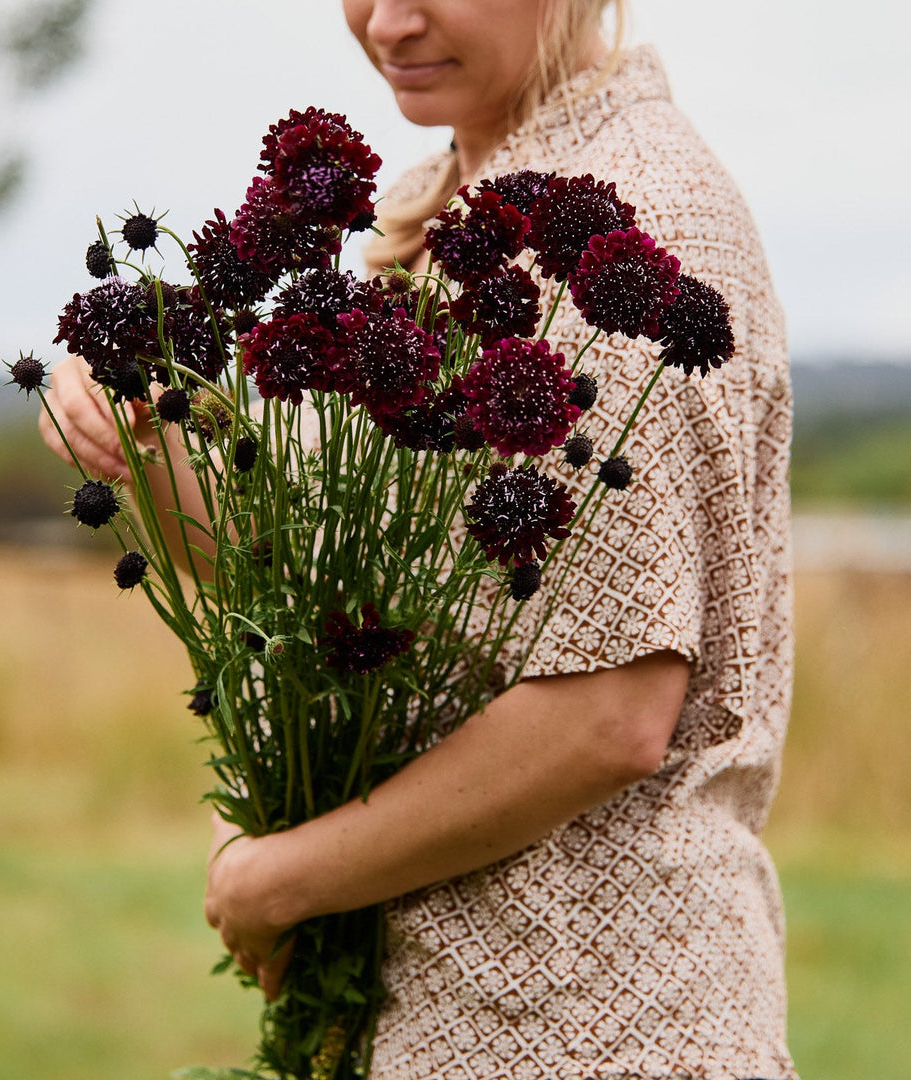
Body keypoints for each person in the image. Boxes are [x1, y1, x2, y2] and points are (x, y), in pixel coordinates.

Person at [40, 2, 797, 1076]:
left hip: (588, 1023)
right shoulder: (435, 210)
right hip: (427, 1013)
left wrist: (278, 878)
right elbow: (318, 594)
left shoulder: (638, 221)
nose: (389, 20)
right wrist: (138, 430)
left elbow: (609, 713)